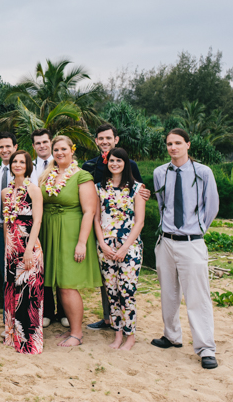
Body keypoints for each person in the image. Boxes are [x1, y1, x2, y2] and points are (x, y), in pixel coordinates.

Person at [151, 128, 219, 370]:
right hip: (166, 242)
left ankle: (206, 348)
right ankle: (171, 336)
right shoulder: (160, 172)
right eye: (169, 144)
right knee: (168, 293)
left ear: (188, 145)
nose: (173, 147)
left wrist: (197, 228)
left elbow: (211, 207)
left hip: (192, 242)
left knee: (197, 297)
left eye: (178, 143)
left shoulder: (203, 172)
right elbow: (162, 205)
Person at [82, 123, 150, 332]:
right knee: (108, 281)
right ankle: (109, 318)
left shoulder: (130, 164)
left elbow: (138, 193)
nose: (104, 142)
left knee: (124, 285)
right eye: (100, 138)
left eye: (108, 138)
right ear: (96, 141)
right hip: (101, 228)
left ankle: (122, 324)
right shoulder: (89, 166)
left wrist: (144, 194)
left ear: (116, 139)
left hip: (126, 234)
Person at [39, 136, 101, 347]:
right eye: (56, 149)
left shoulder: (82, 176)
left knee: (67, 285)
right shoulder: (47, 175)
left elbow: (89, 211)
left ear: (72, 150)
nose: (59, 153)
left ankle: (76, 333)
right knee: (57, 283)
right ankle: (72, 330)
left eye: (64, 149)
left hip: (71, 232)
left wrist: (82, 242)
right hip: (49, 231)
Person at [93, 147, 145, 350]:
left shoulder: (137, 188)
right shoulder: (99, 188)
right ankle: (117, 334)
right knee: (111, 292)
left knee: (127, 291)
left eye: (119, 160)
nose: (115, 163)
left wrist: (124, 248)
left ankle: (130, 335)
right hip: (106, 246)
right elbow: (96, 219)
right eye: (112, 160)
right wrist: (103, 244)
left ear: (126, 163)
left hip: (129, 247)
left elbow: (139, 222)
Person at [2, 150, 44, 354]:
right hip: (11, 249)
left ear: (28, 166)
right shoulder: (5, 192)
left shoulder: (34, 190)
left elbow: (37, 221)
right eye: (14, 161)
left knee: (28, 294)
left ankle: (29, 342)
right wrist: (6, 246)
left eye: (22, 161)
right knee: (12, 291)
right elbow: (6, 223)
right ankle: (12, 337)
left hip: (29, 246)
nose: (17, 164)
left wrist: (29, 249)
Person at [30, 128, 62, 328]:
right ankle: (48, 310)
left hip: (57, 219)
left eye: (45, 142)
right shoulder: (29, 166)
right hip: (37, 221)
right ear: (33, 146)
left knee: (61, 264)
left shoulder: (61, 162)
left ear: (50, 142)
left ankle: (64, 311)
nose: (42, 145)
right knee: (44, 266)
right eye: (38, 143)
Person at [0, 131, 18, 292]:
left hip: (20, 229)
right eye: (1, 147)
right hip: (1, 230)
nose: (5, 150)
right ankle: (8, 312)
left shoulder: (27, 171)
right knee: (5, 272)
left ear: (15, 147)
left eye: (8, 146)